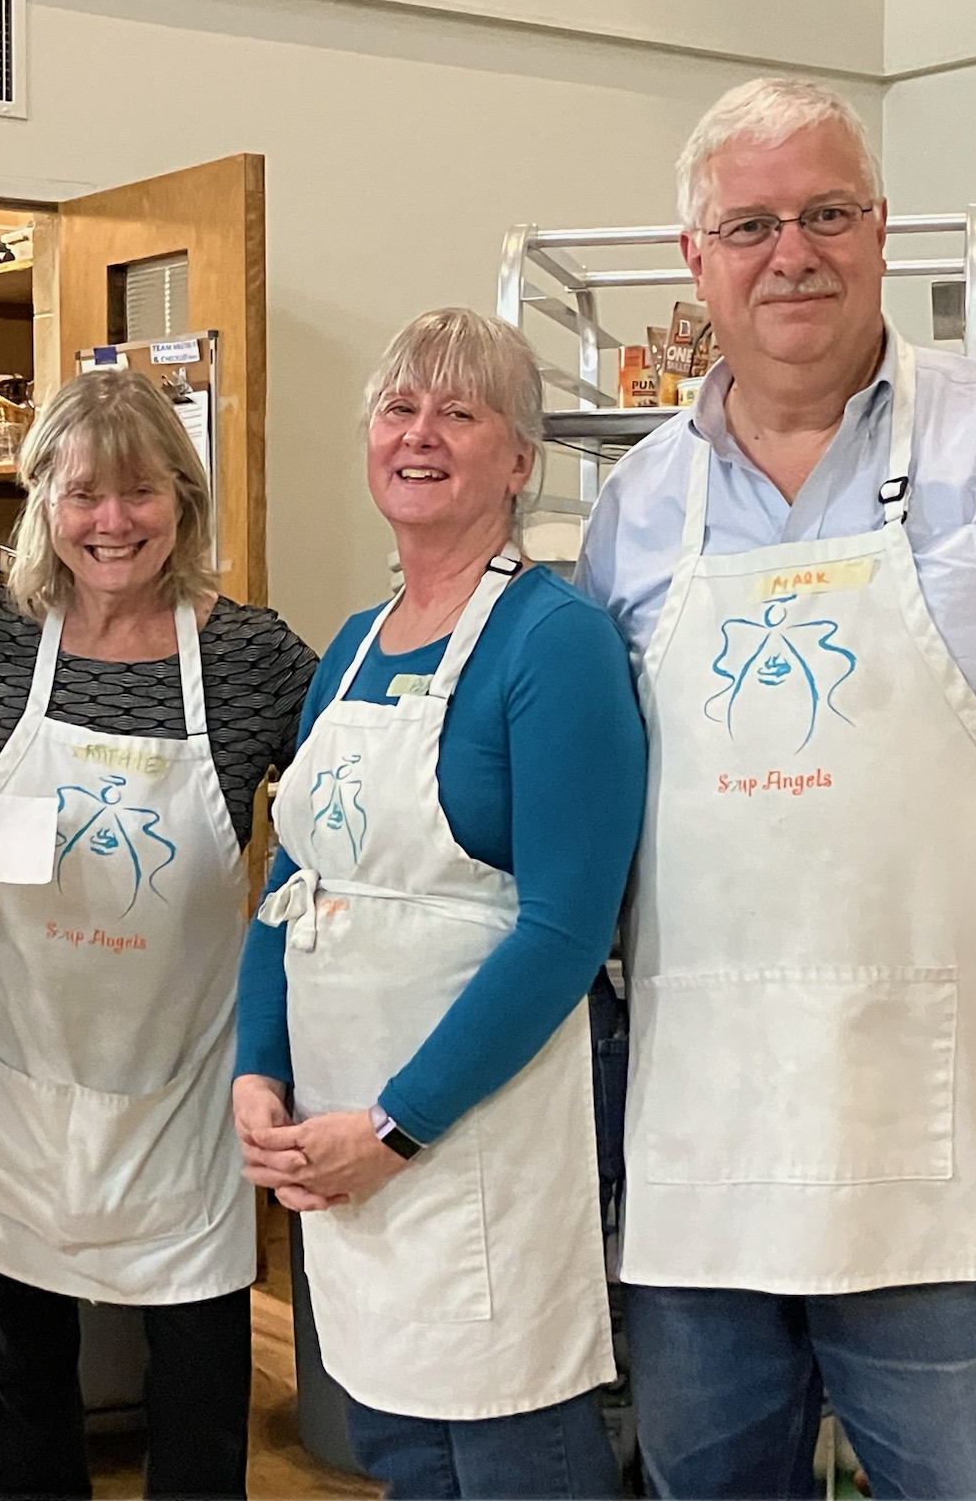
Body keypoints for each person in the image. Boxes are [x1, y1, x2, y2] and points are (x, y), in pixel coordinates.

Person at [576, 77, 976, 1498]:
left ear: (882, 233)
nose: (791, 252)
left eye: (825, 213)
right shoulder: (636, 510)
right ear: (697, 263)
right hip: (702, 1117)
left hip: (932, 1110)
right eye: (748, 224)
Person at [235, 308, 647, 1499]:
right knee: (401, 1452)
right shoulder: (357, 645)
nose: (419, 435)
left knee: (512, 1450)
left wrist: (398, 1125)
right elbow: (291, 879)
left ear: (518, 462)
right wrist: (259, 1068)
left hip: (475, 1145)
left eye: (459, 414)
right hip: (339, 1138)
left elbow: (565, 932)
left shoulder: (552, 641)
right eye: (398, 410)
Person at [0, 369, 316, 1499]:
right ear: (42, 504)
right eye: (81, 496)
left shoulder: (250, 659)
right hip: (8, 1056)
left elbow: (342, 798)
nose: (110, 522)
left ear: (184, 500)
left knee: (200, 1358)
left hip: (177, 1069)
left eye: (139, 493)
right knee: (19, 1369)